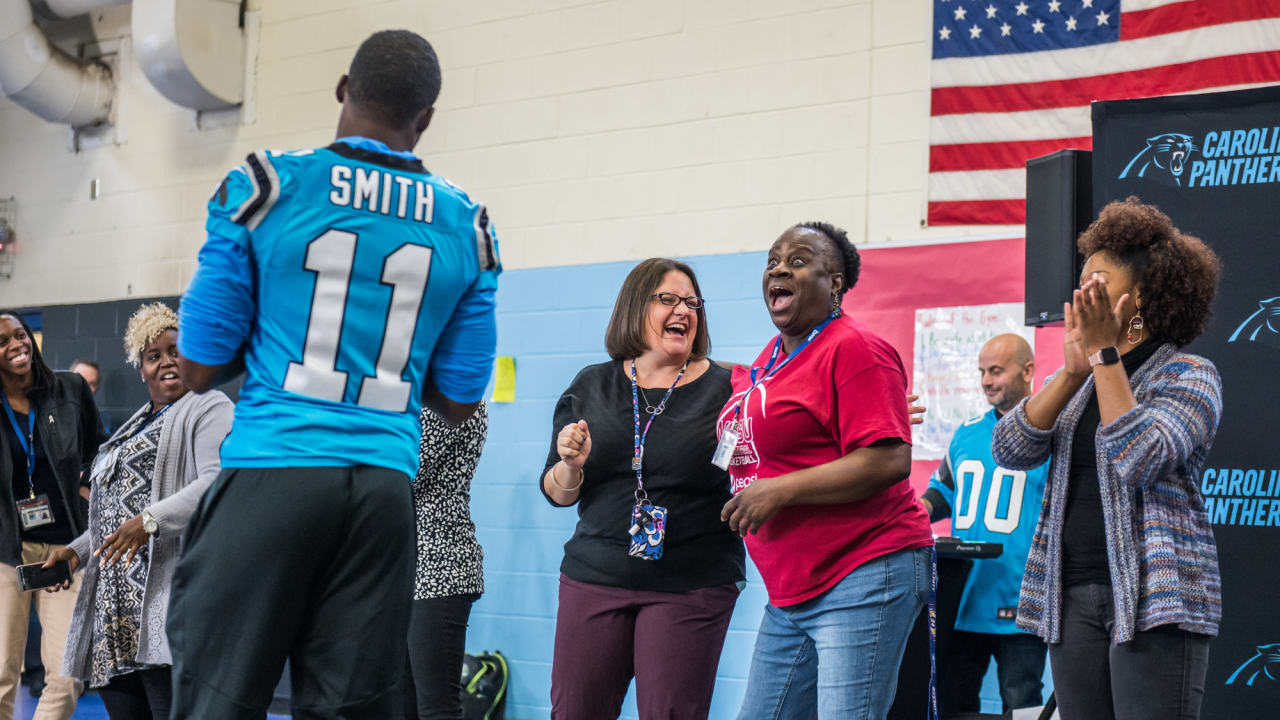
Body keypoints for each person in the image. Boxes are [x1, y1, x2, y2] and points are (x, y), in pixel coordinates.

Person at [171, 29, 500, 719]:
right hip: (382, 492)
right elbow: (461, 398)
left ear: (344, 89)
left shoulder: (266, 186)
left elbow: (198, 365)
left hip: (274, 470)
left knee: (218, 697)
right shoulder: (468, 225)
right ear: (426, 119)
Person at [993, 198, 1223, 720]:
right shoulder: (1077, 380)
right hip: (1072, 596)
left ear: (1140, 296)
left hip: (1156, 599)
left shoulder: (1187, 375)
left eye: (1098, 281)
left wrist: (1103, 358)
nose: (1081, 294)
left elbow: (1140, 457)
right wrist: (1074, 374)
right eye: (1081, 282)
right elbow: (1010, 450)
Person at [718, 222, 933, 719]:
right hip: (793, 587)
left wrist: (779, 491)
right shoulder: (769, 361)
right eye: (773, 260)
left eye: (796, 260)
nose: (778, 268)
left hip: (863, 570)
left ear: (834, 283)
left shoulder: (855, 347)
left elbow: (889, 459)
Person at [542, 258, 745, 720]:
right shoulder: (592, 384)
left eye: (692, 302)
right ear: (636, 308)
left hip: (690, 584)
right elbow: (558, 491)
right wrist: (571, 466)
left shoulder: (731, 387)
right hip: (594, 577)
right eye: (668, 299)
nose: (684, 311)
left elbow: (795, 412)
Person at [44, 303, 233, 720]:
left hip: (167, 611)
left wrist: (150, 522)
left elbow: (214, 483)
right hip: (116, 620)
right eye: (154, 356)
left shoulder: (208, 406)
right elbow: (114, 514)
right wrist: (75, 553)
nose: (167, 362)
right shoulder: (136, 423)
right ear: (141, 368)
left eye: (176, 351)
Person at [920, 334, 1049, 714]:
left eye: (996, 371)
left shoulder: (1052, 433)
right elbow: (941, 493)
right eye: (981, 372)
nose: (986, 381)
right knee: (953, 702)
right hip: (965, 601)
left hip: (1022, 603)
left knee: (1022, 704)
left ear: (1027, 371)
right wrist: (910, 514)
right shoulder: (965, 433)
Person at [0, 312, 105, 720]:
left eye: (20, 335)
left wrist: (84, 493)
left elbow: (101, 452)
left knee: (67, 672)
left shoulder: (71, 389)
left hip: (64, 550)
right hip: (8, 550)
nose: (16, 344)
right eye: (3, 340)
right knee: (4, 674)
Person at [402, 402, 488, 720]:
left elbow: (407, 472)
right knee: (400, 705)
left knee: (437, 708)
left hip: (439, 563)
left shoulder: (454, 398)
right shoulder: (413, 396)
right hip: (406, 563)